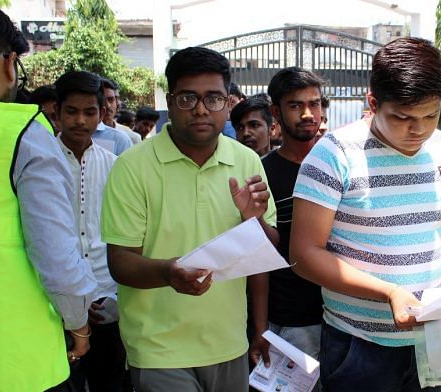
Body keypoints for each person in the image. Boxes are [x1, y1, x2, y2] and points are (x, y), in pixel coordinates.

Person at [290, 37, 441, 392]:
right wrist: (388, 292)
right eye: (402, 117)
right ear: (373, 102)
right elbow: (304, 255)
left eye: (431, 115)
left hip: (430, 340)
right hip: (358, 345)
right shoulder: (334, 156)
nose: (418, 129)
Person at [101, 46, 277, 392]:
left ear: (228, 102)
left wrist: (259, 329)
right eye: (187, 99)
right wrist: (170, 273)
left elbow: (265, 253)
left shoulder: (247, 162)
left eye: (213, 98)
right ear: (170, 100)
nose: (200, 109)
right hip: (158, 349)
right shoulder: (132, 167)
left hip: (229, 344)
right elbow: (120, 262)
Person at [0, 3, 97, 390]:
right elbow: (55, 254)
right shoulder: (19, 132)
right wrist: (78, 324)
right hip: (13, 361)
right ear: (9, 62)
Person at [53, 70, 126, 392]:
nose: (80, 120)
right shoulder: (40, 163)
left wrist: (111, 297)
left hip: (106, 300)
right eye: (72, 111)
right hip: (55, 303)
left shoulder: (115, 165)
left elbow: (125, 233)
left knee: (109, 382)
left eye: (89, 112)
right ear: (57, 112)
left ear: (102, 113)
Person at [255, 67, 326, 367]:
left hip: (345, 318)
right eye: (296, 105)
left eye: (315, 104)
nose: (308, 113)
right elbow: (258, 258)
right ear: (276, 111)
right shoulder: (264, 172)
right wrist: (260, 328)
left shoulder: (337, 165)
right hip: (291, 322)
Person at [101, 78, 141, 145]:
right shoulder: (85, 136)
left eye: (112, 99)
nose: (108, 105)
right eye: (102, 99)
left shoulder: (131, 137)